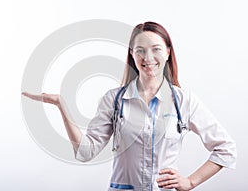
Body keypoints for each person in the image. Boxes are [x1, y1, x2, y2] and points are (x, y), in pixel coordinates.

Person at [22, 21, 237, 191]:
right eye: (140, 50)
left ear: (168, 52)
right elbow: (85, 153)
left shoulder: (184, 101)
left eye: (156, 49)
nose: (148, 57)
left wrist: (190, 182)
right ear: (132, 55)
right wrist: (61, 106)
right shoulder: (113, 100)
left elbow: (226, 149)